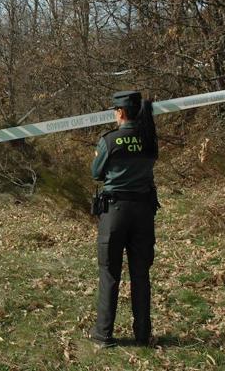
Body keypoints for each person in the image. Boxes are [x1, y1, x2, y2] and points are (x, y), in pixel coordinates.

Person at [89, 91, 159, 348]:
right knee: (141, 275)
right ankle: (142, 335)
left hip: (115, 213)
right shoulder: (150, 140)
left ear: (120, 112)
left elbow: (96, 173)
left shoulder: (109, 140)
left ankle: (103, 335)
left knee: (109, 273)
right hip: (143, 213)